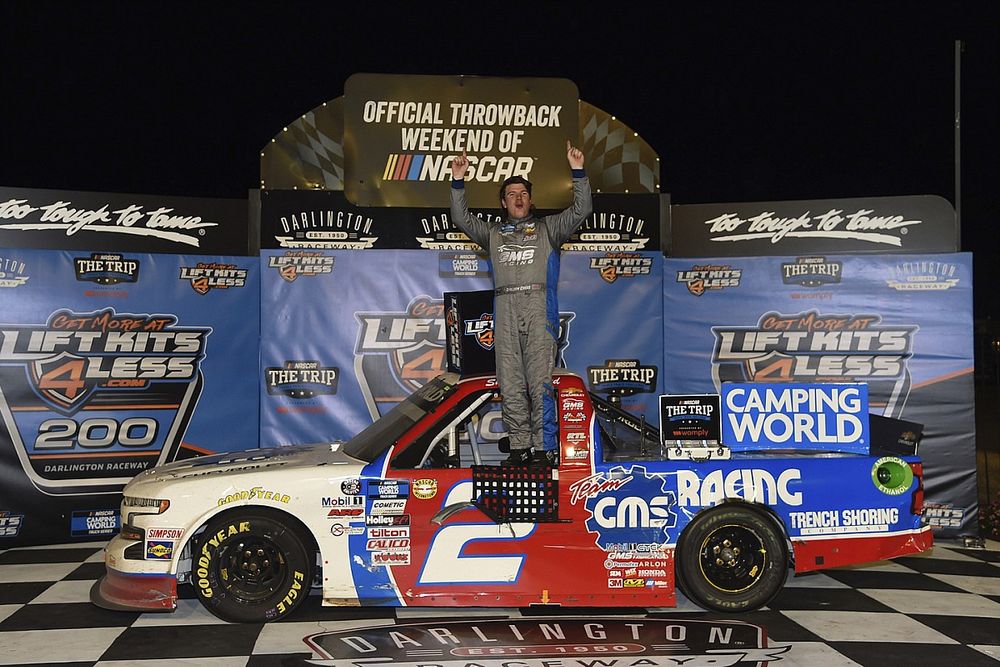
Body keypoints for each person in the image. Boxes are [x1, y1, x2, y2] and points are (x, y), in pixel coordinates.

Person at [450, 141, 592, 466]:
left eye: (524, 193)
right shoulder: (492, 233)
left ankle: (543, 449)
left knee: (540, 381)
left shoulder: (548, 228)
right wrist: (458, 180)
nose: (518, 198)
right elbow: (460, 217)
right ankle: (519, 447)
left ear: (530, 199)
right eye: (512, 194)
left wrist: (578, 171)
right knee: (510, 382)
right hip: (505, 310)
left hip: (539, 307)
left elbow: (582, 209)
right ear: (503, 202)